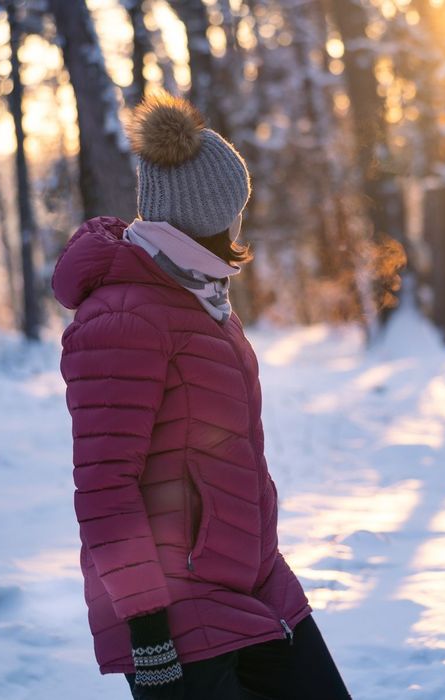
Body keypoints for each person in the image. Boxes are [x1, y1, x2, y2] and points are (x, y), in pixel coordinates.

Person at [52, 94, 352, 699]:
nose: (240, 225)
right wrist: (150, 631)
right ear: (212, 216)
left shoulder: (198, 297)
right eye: (235, 211)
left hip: (255, 580)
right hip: (176, 610)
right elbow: (106, 486)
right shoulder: (124, 316)